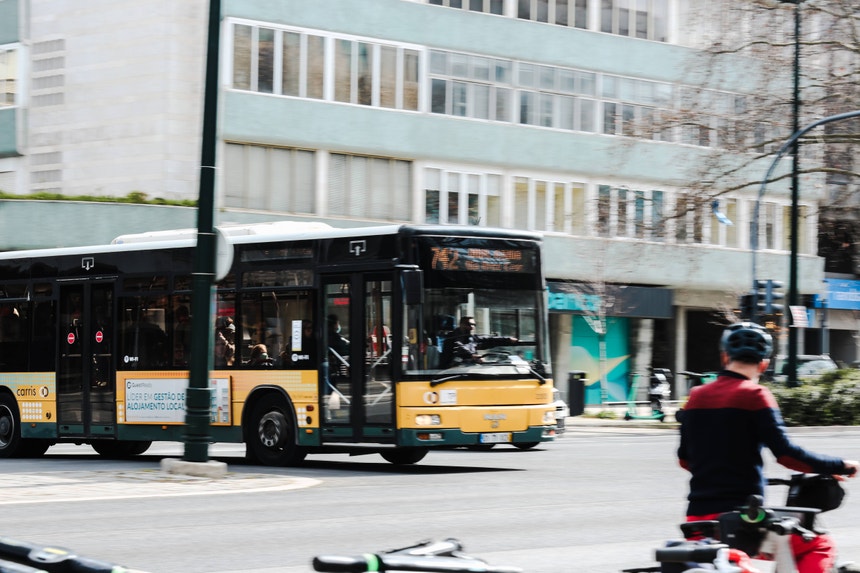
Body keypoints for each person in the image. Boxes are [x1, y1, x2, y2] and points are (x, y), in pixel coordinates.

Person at [677, 321, 859, 573]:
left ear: (724, 357)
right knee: (819, 546)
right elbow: (786, 455)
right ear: (764, 363)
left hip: (698, 521)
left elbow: (685, 460)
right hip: (743, 521)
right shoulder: (755, 395)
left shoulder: (696, 396)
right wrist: (840, 464)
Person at [439, 316, 517, 368]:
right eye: (468, 324)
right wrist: (472, 356)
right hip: (451, 370)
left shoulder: (472, 337)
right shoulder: (452, 336)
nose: (471, 327)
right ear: (461, 324)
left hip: (469, 368)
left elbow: (489, 338)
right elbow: (459, 347)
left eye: (473, 325)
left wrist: (508, 339)